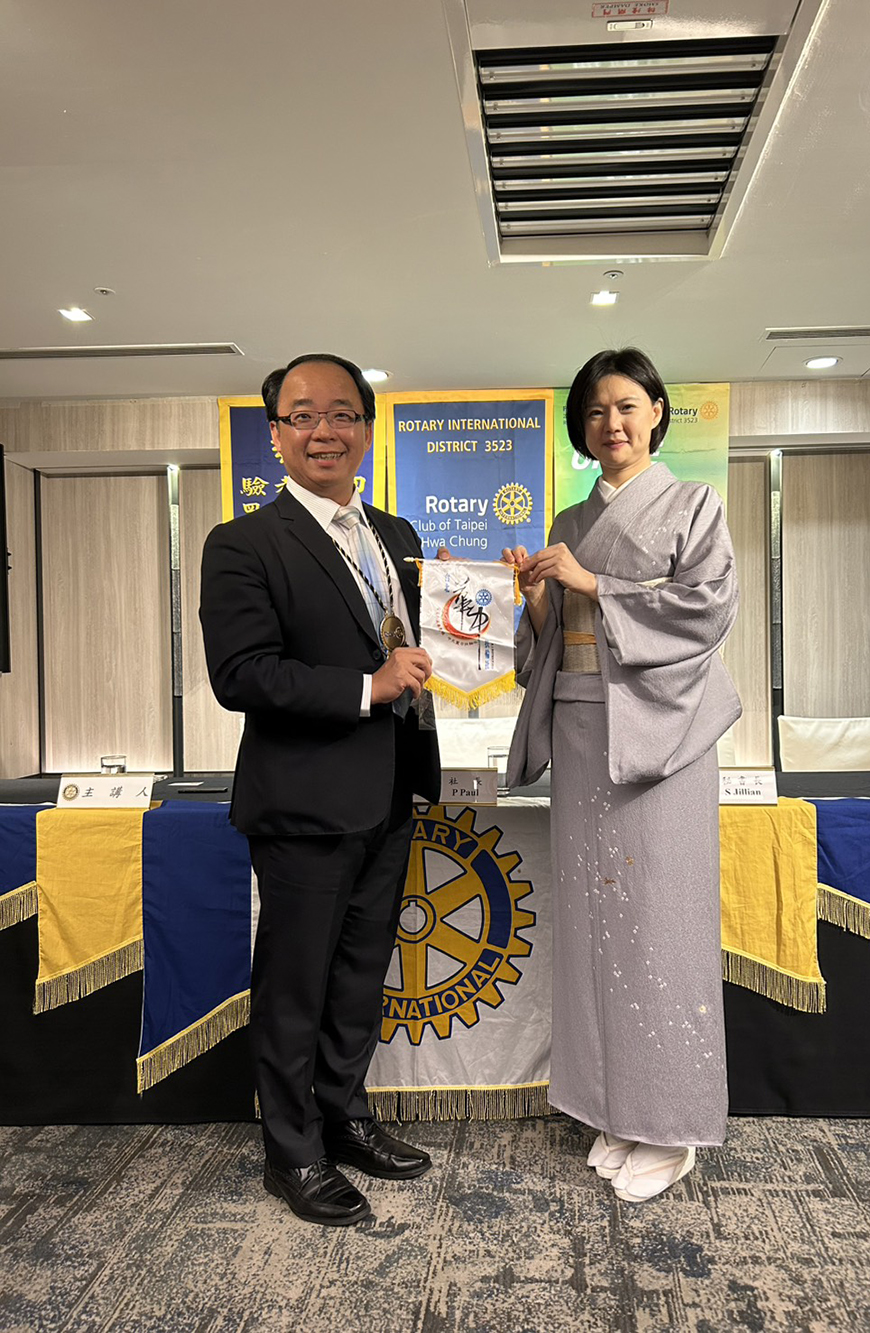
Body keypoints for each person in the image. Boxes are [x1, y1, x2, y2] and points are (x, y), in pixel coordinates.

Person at [200, 353, 441, 1227]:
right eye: (303, 415)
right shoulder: (242, 543)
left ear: (367, 430)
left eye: (343, 413)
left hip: (391, 792)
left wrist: (481, 607)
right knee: (296, 982)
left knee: (359, 977)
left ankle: (344, 1115)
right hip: (303, 801)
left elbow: (413, 642)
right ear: (275, 435)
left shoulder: (396, 533)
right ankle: (291, 1150)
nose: (324, 430)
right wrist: (366, 687)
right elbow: (242, 673)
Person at [504, 347, 740, 1203]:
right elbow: (551, 644)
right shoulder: (570, 517)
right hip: (580, 731)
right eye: (597, 410)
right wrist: (542, 602)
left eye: (628, 405)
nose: (613, 423)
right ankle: (613, 1107)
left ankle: (672, 1125)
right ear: (582, 426)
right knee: (594, 924)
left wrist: (595, 582)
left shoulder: (693, 504)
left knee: (659, 924)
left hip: (660, 739)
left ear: (657, 412)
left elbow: (708, 608)